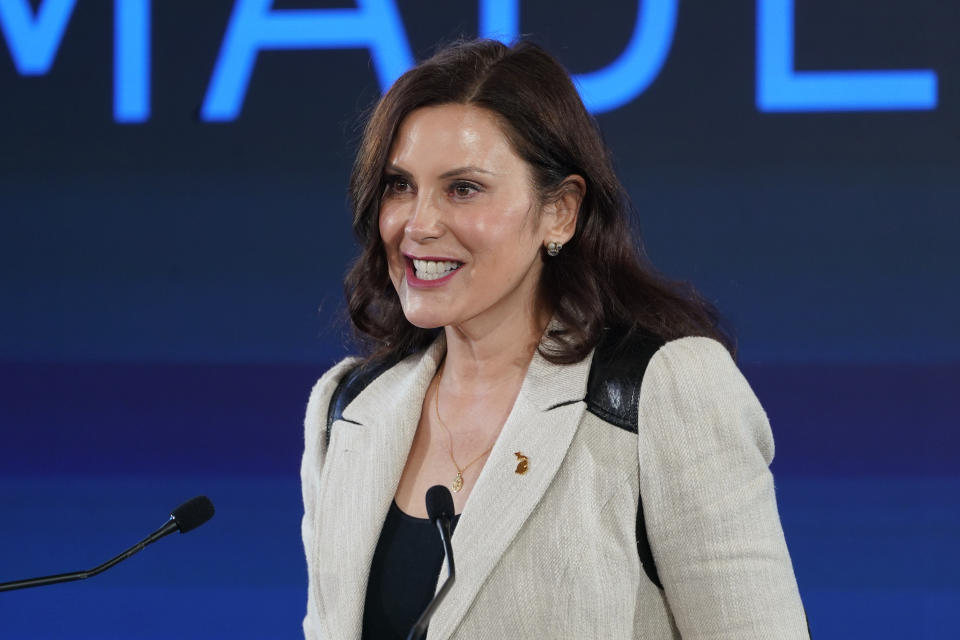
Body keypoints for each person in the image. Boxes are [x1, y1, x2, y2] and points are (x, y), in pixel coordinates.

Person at [301, 39, 809, 639]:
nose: (419, 224)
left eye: (463, 188)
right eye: (399, 185)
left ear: (561, 212)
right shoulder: (349, 409)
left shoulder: (665, 392)